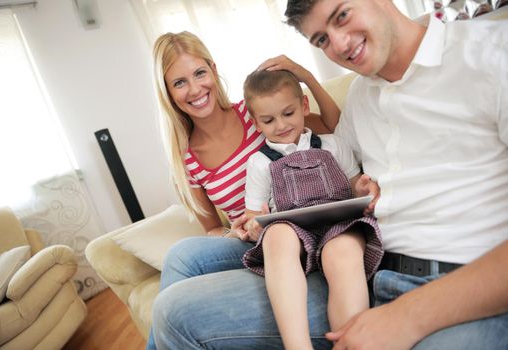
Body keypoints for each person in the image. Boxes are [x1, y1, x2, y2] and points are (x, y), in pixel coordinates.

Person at [151, 1, 508, 349]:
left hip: (428, 271)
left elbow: (326, 144)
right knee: (175, 297)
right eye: (320, 39)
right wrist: (253, 221)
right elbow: (347, 160)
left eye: (342, 15)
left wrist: (405, 316)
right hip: (362, 264)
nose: (337, 45)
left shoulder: (490, 53)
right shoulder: (361, 95)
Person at [147, 31, 341, 349]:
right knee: (181, 255)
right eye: (179, 82)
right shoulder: (188, 160)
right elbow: (211, 227)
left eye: (199, 73)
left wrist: (306, 76)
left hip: (293, 232)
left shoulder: (257, 116)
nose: (195, 89)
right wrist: (236, 232)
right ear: (167, 93)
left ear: (212, 68)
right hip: (252, 240)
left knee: (180, 258)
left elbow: (334, 127)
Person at [237, 68, 383, 349]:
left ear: (304, 105)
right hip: (293, 235)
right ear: (256, 123)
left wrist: (363, 189)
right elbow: (254, 215)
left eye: (288, 113)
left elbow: (354, 185)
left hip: (338, 226)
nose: (281, 125)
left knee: (342, 252)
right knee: (278, 234)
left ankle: (351, 342)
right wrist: (254, 225)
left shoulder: (333, 144)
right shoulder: (259, 163)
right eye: (268, 120)